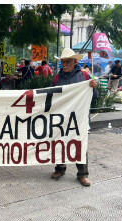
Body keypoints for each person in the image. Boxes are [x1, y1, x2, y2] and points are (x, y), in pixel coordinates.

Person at [50, 48, 98, 187]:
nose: (64, 64)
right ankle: (60, 169)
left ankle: (83, 174)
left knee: (80, 144)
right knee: (59, 143)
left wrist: (94, 87)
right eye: (62, 62)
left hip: (79, 118)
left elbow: (95, 97)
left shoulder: (84, 76)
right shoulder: (57, 78)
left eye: (67, 62)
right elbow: (50, 96)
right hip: (62, 118)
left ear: (74, 61)